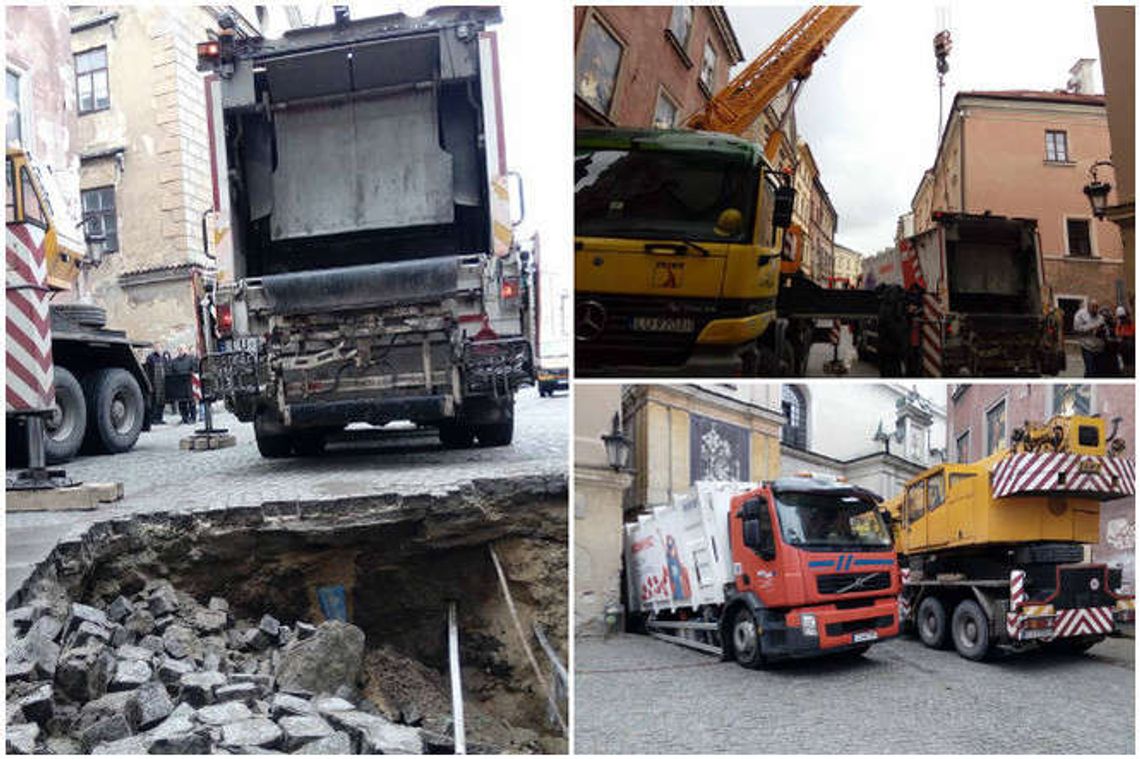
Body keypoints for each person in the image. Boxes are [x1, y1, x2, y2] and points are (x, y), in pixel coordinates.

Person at [1072, 298, 1106, 378]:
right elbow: (1076, 329)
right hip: (1087, 347)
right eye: (1093, 307)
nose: (1095, 309)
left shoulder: (1100, 317)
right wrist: (1092, 328)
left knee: (1096, 371)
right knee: (1090, 370)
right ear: (1088, 306)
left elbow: (1103, 329)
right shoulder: (1080, 315)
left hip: (1099, 348)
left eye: (1097, 307)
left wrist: (1102, 330)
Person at [144, 342, 168, 424]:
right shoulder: (150, 358)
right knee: (154, 402)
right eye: (156, 347)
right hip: (154, 383)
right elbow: (147, 371)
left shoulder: (163, 358)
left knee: (162, 401)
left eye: (159, 347)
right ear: (154, 348)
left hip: (163, 383)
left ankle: (160, 418)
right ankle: (153, 419)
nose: (158, 349)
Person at [1115, 305, 1135, 376]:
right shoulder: (1120, 324)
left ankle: (1129, 372)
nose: (1122, 319)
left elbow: (1133, 332)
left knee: (1130, 363)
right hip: (1124, 348)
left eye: (1122, 317)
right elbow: (1117, 334)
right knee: (1126, 363)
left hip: (1130, 346)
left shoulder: (1130, 323)